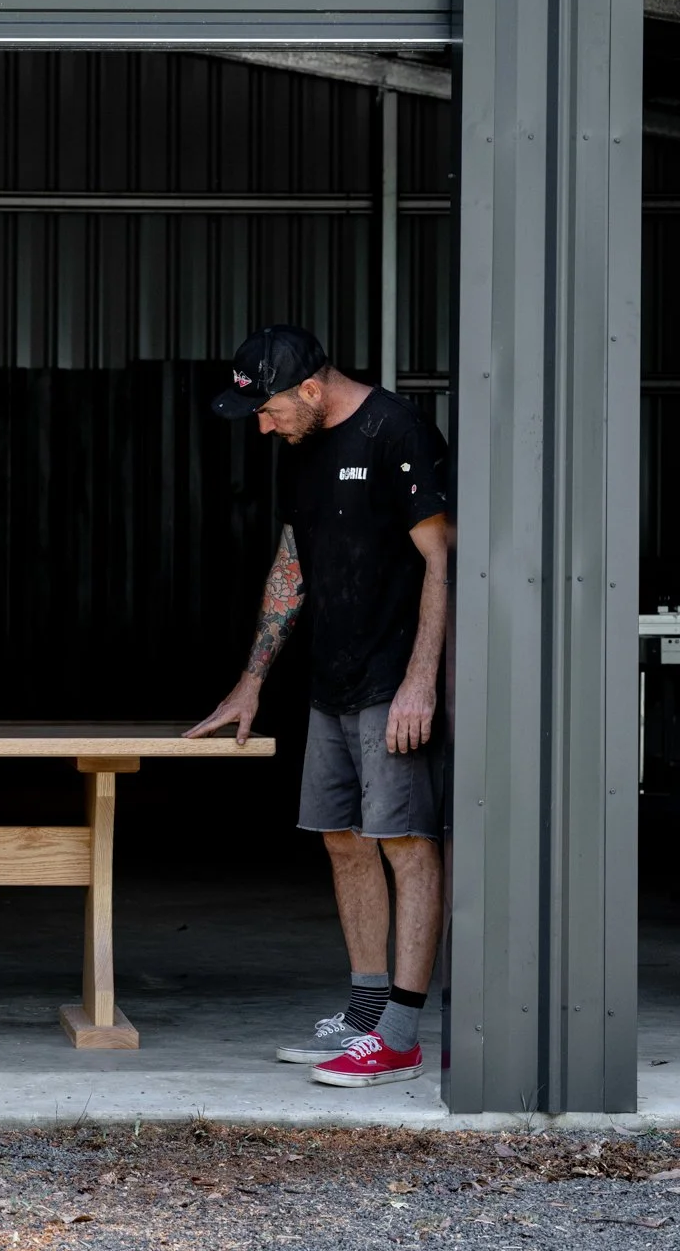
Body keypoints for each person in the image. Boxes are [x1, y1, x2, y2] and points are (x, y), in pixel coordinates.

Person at [186, 325, 451, 1088]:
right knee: (342, 839)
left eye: (268, 411)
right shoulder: (303, 446)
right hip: (331, 679)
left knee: (404, 842)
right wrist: (252, 679)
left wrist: (421, 681)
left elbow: (442, 559)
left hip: (393, 680)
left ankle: (399, 1036)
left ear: (309, 388)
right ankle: (365, 1016)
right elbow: (293, 563)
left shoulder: (396, 430)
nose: (263, 428)